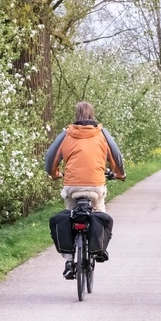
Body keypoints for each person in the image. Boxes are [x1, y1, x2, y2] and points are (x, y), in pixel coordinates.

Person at [45, 101, 126, 279]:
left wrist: (55, 173)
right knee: (99, 213)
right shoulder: (102, 134)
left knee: (70, 214)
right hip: (96, 185)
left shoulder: (66, 134)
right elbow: (116, 156)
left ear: (76, 115)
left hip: (72, 185)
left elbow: (50, 159)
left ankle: (68, 261)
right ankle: (99, 248)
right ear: (92, 115)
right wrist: (120, 174)